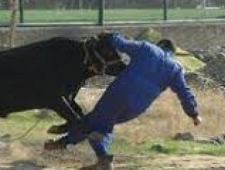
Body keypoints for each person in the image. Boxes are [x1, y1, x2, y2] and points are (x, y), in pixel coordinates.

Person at [44, 32, 202, 170]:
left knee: (96, 122)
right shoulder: (176, 68)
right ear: (172, 52)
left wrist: (109, 35)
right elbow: (184, 92)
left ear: (159, 44)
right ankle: (72, 148)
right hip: (138, 106)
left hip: (120, 93)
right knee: (103, 124)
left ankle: (77, 149)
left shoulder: (147, 48)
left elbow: (120, 43)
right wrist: (193, 113)